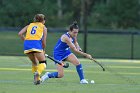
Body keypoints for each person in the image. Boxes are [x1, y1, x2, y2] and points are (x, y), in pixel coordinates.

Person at [18, 14, 47, 85]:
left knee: (34, 63)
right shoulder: (44, 27)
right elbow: (43, 41)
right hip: (36, 44)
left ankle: (36, 79)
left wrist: (25, 41)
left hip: (27, 45)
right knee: (43, 63)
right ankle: (38, 73)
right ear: (43, 21)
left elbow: (20, 34)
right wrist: (43, 50)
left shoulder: (29, 25)